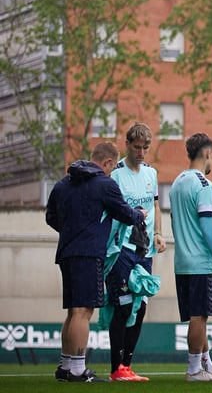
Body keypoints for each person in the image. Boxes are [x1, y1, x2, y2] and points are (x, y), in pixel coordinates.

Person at [46, 142, 147, 383]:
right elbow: (123, 212)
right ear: (108, 163)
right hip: (89, 254)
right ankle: (79, 370)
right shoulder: (104, 183)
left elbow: (50, 217)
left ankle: (66, 366)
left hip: (67, 252)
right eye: (112, 167)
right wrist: (139, 215)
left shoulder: (63, 183)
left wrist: (71, 231)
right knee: (84, 311)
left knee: (73, 311)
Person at [169, 133, 212, 382]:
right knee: (199, 317)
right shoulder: (204, 185)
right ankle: (194, 370)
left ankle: (206, 364)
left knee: (196, 317)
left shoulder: (177, 183)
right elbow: (208, 231)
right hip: (201, 263)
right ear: (208, 154)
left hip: (182, 262)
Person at [104, 123, 165, 382]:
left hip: (145, 250)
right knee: (123, 306)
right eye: (137, 147)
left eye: (145, 148)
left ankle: (127, 365)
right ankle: (116, 367)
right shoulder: (116, 175)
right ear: (127, 145)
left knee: (140, 306)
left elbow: (155, 206)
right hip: (122, 249)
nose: (141, 152)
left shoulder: (151, 173)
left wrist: (160, 234)